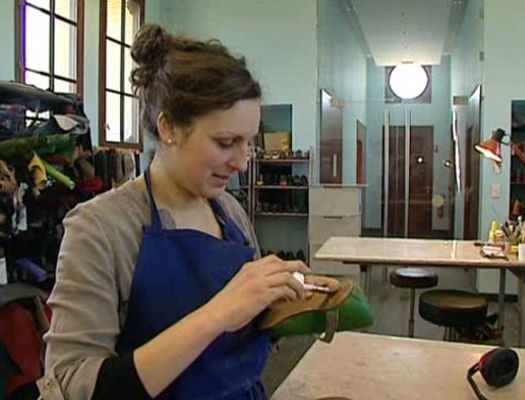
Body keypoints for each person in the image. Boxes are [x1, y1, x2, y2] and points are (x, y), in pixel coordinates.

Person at [38, 24, 325, 400]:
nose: (242, 162)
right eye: (226, 142)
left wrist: (284, 303)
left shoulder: (230, 213)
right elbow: (74, 385)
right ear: (170, 127)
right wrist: (216, 314)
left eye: (249, 143)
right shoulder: (101, 228)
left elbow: (241, 340)